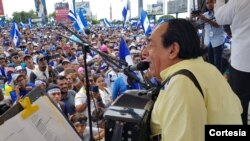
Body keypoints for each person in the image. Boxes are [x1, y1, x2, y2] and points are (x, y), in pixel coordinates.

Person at [146, 19, 242, 141]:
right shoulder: (209, 69)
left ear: (173, 50)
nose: (145, 52)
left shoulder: (181, 84)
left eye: (151, 45)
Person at [214, 0, 250, 125]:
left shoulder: (239, 2)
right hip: (241, 61)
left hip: (242, 63)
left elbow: (219, 17)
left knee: (240, 105)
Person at [191, 0, 225, 72]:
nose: (209, 4)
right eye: (207, 3)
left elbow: (217, 25)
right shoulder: (205, 14)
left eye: (211, 2)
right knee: (210, 61)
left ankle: (219, 78)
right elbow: (197, 25)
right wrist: (192, 18)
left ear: (215, 2)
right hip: (209, 41)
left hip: (218, 41)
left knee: (218, 61)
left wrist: (205, 19)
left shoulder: (220, 13)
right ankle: (212, 77)